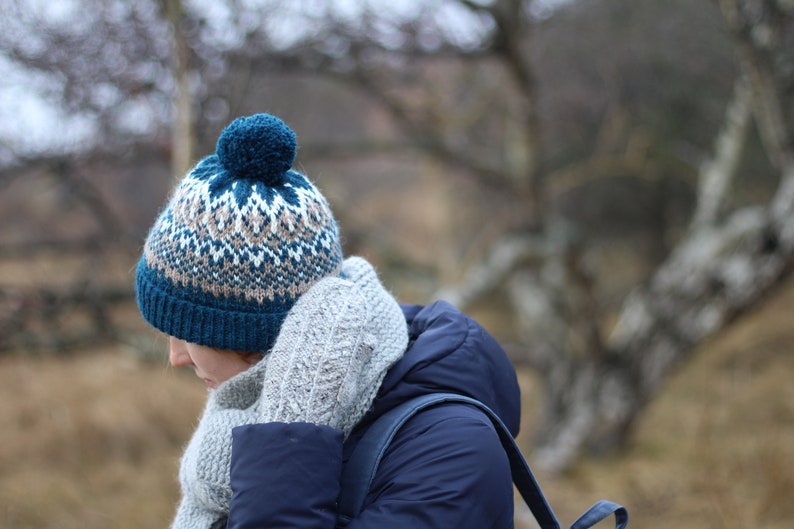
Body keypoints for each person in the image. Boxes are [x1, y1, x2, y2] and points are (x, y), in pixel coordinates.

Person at [135, 113, 522, 529]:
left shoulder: (451, 456)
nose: (175, 357)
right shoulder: (242, 413)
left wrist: (291, 431)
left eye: (190, 335)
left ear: (252, 335)